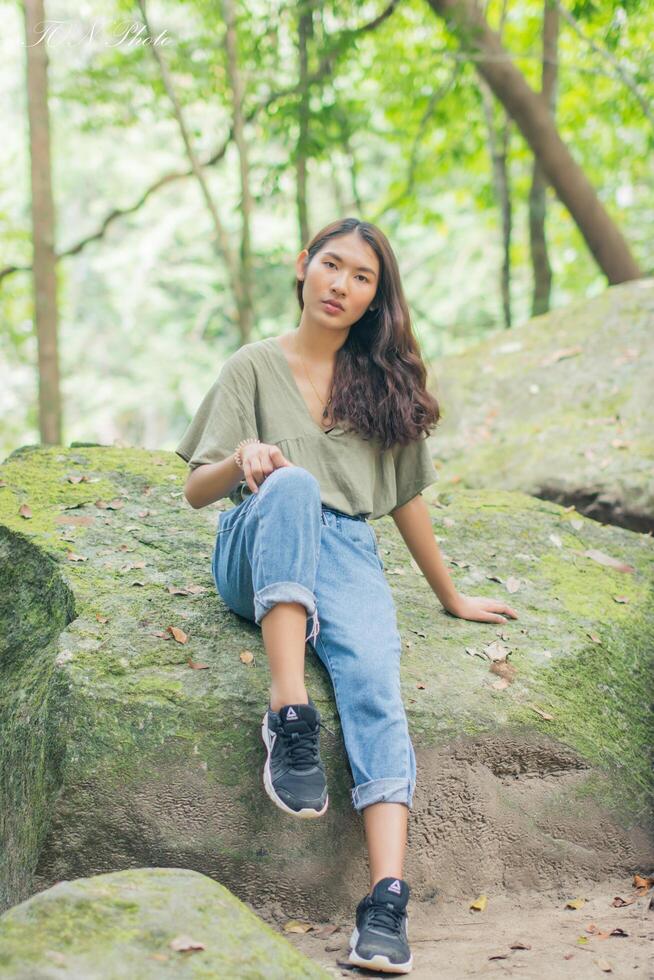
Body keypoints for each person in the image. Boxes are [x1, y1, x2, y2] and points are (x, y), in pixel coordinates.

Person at [175, 217, 519, 975]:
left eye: (362, 277)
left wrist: (452, 595)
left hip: (348, 553)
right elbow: (198, 490)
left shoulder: (384, 384)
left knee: (374, 685)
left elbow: (404, 499)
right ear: (303, 268)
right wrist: (243, 459)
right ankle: (288, 714)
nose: (341, 285)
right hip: (258, 538)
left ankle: (387, 903)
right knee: (293, 486)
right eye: (332, 266)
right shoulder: (251, 368)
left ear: (374, 299)